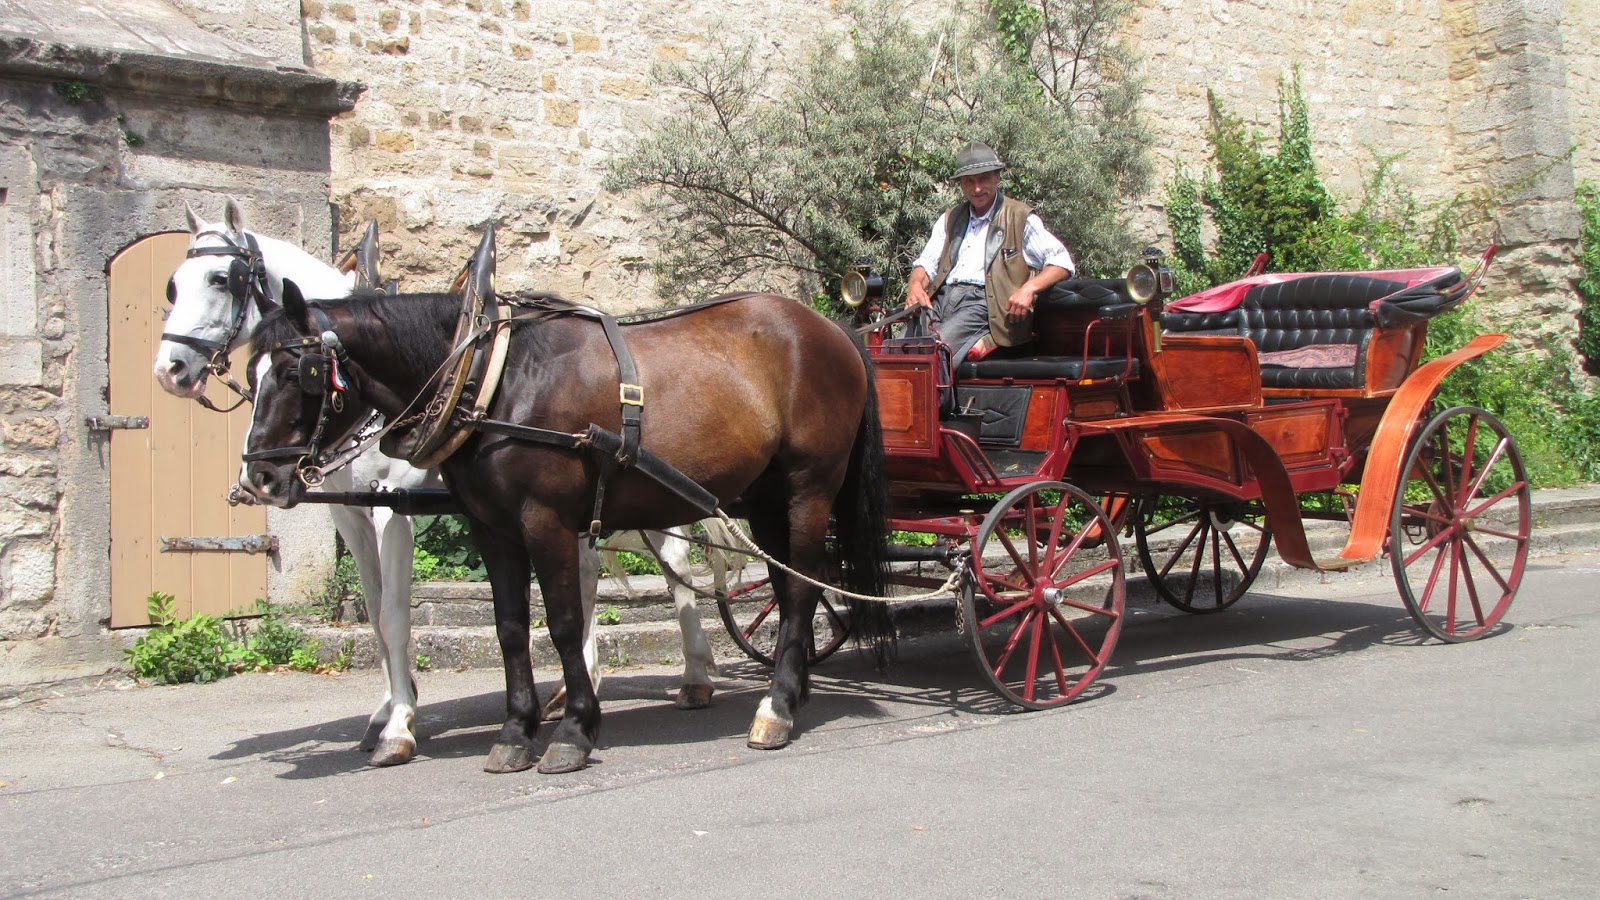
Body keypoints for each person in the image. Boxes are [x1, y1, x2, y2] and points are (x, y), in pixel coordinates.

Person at [904, 141, 1076, 374]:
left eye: (983, 179)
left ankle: (934, 410)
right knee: (896, 349)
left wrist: (1029, 289)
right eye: (969, 181)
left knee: (934, 352)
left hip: (984, 304)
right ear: (961, 185)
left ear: (997, 177)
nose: (977, 188)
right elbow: (926, 264)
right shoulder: (949, 218)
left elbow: (1061, 262)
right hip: (941, 300)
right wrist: (915, 286)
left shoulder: (1020, 217)